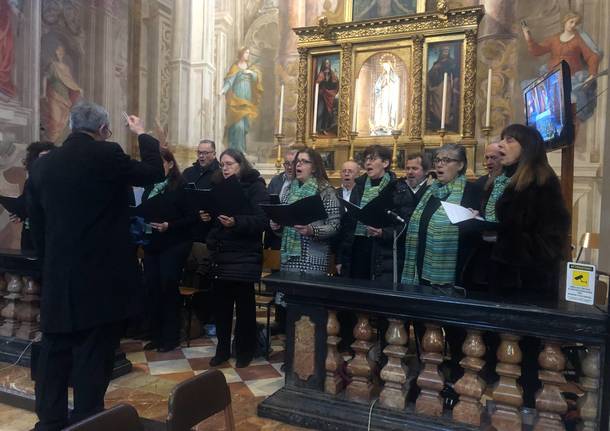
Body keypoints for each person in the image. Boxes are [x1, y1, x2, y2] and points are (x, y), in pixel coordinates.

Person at [26, 100, 164, 430]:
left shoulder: (44, 165)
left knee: (54, 352)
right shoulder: (106, 154)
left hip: (60, 275)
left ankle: (49, 422)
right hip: (101, 277)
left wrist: (49, 266)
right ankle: (87, 421)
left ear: (72, 126)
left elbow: (37, 222)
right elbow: (153, 172)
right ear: (103, 130)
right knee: (93, 354)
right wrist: (142, 134)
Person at [488, 124, 570, 407]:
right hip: (512, 281)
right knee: (508, 354)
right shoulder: (516, 179)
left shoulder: (541, 181)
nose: (501, 146)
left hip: (528, 284)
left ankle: (524, 411)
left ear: (527, 146)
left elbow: (550, 237)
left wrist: (510, 246)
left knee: (527, 359)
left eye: (509, 140)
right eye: (501, 140)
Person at [199, 149, 269, 368]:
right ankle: (222, 349)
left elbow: (262, 221)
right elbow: (214, 222)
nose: (225, 168)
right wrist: (207, 217)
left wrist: (236, 222)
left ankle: (244, 350)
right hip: (222, 254)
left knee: (245, 307)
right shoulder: (218, 186)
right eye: (222, 164)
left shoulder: (256, 186)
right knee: (222, 307)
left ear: (241, 164)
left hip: (245, 255)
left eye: (229, 164)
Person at [401, 143, 481, 287]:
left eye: (447, 160)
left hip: (451, 268)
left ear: (460, 165)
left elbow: (474, 233)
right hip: (420, 262)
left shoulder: (471, 191)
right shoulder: (430, 191)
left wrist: (473, 220)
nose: (439, 165)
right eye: (437, 160)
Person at [139, 148, 194, 352]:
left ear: (170, 164)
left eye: (160, 162)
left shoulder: (181, 185)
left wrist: (169, 225)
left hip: (174, 243)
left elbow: (190, 217)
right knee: (151, 287)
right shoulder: (150, 185)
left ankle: (170, 337)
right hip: (153, 243)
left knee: (167, 287)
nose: (156, 166)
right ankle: (156, 334)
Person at [270, 147, 340, 274]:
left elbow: (334, 226)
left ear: (314, 168)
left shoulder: (325, 191)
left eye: (304, 161)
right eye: (297, 161)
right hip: (289, 257)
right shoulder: (288, 189)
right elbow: (284, 223)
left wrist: (312, 230)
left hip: (313, 257)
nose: (298, 164)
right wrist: (277, 225)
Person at [522, 11, 601, 122]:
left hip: (570, 76)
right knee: (536, 95)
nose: (573, 25)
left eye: (576, 23)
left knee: (570, 103)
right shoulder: (554, 39)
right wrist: (528, 37)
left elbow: (592, 56)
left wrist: (592, 74)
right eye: (571, 22)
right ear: (565, 21)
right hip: (552, 75)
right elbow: (537, 50)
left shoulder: (578, 40)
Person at [337, 145, 394, 280]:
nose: (367, 162)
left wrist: (383, 232)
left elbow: (401, 223)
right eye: (366, 159)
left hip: (381, 249)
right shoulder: (358, 186)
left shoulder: (395, 188)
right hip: (357, 247)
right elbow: (347, 224)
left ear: (385, 163)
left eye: (373, 159)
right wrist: (340, 258)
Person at [182, 139, 220, 331]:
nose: (202, 156)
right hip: (190, 232)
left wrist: (210, 214)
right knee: (189, 276)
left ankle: (209, 318)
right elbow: (180, 200)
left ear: (214, 154)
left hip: (210, 234)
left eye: (206, 152)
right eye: (199, 152)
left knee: (208, 278)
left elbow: (223, 202)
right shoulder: (189, 173)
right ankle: (191, 318)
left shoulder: (219, 174)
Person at [2, 141, 56, 251]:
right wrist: (20, 214)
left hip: (50, 237)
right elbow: (25, 203)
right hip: (31, 236)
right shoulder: (32, 180)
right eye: (42, 157)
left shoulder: (58, 182)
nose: (46, 161)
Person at [221, 47, 263, 153]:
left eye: (249, 53)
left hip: (247, 98)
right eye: (246, 53)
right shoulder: (235, 67)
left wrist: (251, 73)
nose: (248, 55)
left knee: (244, 127)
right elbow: (230, 80)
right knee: (237, 126)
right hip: (236, 99)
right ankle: (235, 149)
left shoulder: (251, 68)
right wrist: (223, 90)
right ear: (241, 53)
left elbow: (257, 79)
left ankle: (242, 149)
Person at [42, 45, 82, 142]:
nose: (59, 53)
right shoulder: (53, 65)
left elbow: (69, 81)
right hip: (53, 95)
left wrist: (78, 89)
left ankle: (58, 142)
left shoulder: (66, 68)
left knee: (63, 120)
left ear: (63, 53)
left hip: (64, 96)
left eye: (61, 51)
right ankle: (52, 141)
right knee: (55, 120)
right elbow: (45, 78)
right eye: (57, 51)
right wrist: (43, 93)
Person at [427, 46, 459, 131]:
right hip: (436, 85)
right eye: (444, 50)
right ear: (441, 51)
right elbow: (429, 75)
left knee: (445, 103)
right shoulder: (436, 62)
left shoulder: (451, 62)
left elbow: (455, 75)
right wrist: (435, 69)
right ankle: (437, 122)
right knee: (436, 104)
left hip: (445, 84)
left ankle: (445, 122)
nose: (446, 52)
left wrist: (455, 87)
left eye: (447, 50)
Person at [372, 56, 400, 135]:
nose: (385, 68)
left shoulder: (394, 76)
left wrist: (390, 83)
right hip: (382, 95)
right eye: (384, 67)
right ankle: (380, 124)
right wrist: (382, 85)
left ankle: (389, 125)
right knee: (381, 108)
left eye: (386, 66)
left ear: (390, 66)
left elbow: (397, 85)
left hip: (390, 95)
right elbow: (377, 87)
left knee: (389, 108)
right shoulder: (381, 76)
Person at [315, 58, 339, 136]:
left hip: (329, 96)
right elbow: (318, 83)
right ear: (324, 64)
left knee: (327, 113)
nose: (327, 65)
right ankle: (318, 129)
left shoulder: (332, 73)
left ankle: (324, 129)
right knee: (320, 113)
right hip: (322, 96)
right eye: (326, 63)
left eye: (328, 63)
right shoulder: (321, 73)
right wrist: (322, 80)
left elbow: (336, 82)